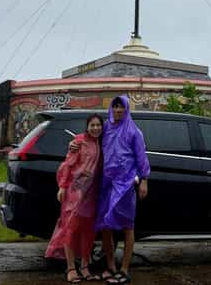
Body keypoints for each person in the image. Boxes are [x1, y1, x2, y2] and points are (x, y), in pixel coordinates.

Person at [71, 95, 150, 284]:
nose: (118, 110)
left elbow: (141, 157)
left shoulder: (134, 132)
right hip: (106, 183)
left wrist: (144, 179)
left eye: (121, 107)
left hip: (126, 184)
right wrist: (74, 143)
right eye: (115, 106)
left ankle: (124, 269)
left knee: (127, 227)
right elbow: (90, 137)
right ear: (111, 108)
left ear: (127, 109)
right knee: (105, 226)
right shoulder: (105, 127)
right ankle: (111, 267)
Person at [46, 114, 104, 283]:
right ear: (87, 126)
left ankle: (85, 266)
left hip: (92, 194)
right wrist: (62, 187)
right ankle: (71, 268)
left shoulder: (101, 142)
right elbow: (68, 164)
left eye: (98, 125)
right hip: (75, 193)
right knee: (70, 228)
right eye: (92, 125)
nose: (95, 128)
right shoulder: (78, 142)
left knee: (88, 231)